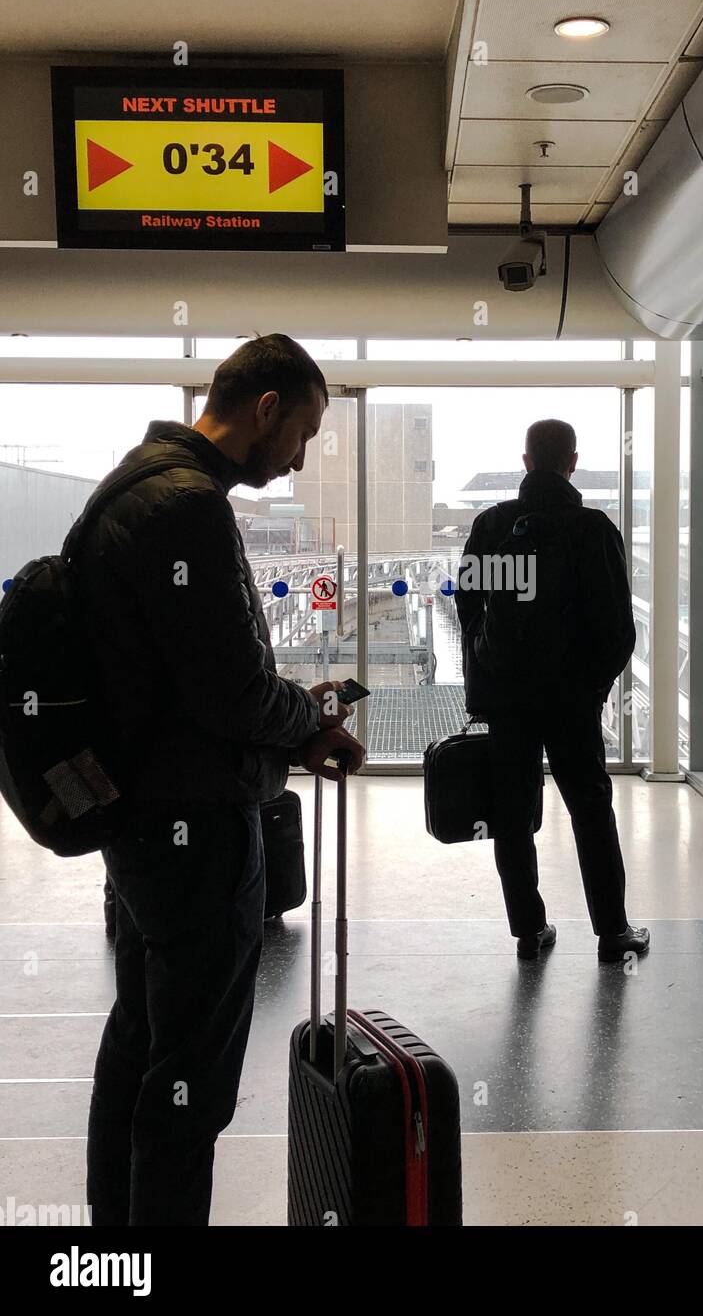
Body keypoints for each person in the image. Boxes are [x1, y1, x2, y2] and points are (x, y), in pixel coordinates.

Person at [78, 333, 364, 1226]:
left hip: (141, 820)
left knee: (140, 1040)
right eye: (303, 432)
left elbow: (187, 684)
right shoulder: (187, 506)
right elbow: (231, 690)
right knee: (189, 1077)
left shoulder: (131, 485)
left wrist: (283, 729)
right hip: (194, 831)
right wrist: (306, 724)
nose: (300, 457)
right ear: (267, 408)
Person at [455, 418, 648, 964]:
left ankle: (529, 931)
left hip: (507, 702)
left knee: (512, 816)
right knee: (590, 809)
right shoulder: (592, 529)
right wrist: (591, 687)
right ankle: (613, 933)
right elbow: (616, 629)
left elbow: (467, 606)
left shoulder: (491, 525)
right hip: (570, 702)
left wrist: (491, 671)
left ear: (525, 461)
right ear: (572, 462)